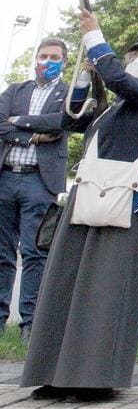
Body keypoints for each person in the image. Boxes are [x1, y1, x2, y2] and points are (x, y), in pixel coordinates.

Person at [22, 12, 138, 401]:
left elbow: (117, 78)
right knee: (65, 285)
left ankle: (94, 377)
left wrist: (94, 37)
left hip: (125, 202)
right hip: (90, 194)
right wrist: (84, 77)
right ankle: (56, 372)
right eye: (137, 55)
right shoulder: (115, 106)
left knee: (106, 291)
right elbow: (71, 117)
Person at [0, 38, 69, 344]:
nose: (47, 61)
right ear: (35, 58)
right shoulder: (15, 90)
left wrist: (19, 121)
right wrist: (31, 137)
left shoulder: (66, 94)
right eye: (43, 56)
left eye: (54, 57)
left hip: (40, 182)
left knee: (34, 253)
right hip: (6, 178)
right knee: (2, 254)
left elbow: (61, 123)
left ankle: (30, 323)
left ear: (64, 61)